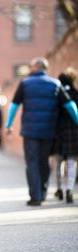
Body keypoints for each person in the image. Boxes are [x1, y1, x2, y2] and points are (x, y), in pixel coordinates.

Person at [5, 57, 78, 206]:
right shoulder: (55, 84)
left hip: (30, 131)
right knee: (44, 162)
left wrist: (9, 124)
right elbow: (70, 105)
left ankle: (35, 196)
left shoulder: (25, 84)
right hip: (49, 132)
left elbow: (14, 104)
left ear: (34, 68)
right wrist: (77, 121)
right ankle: (43, 193)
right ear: (45, 69)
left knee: (32, 162)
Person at [54, 67, 78, 203]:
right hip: (74, 133)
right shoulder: (76, 94)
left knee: (57, 164)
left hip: (58, 132)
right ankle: (69, 189)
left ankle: (59, 189)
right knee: (71, 163)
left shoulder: (57, 95)